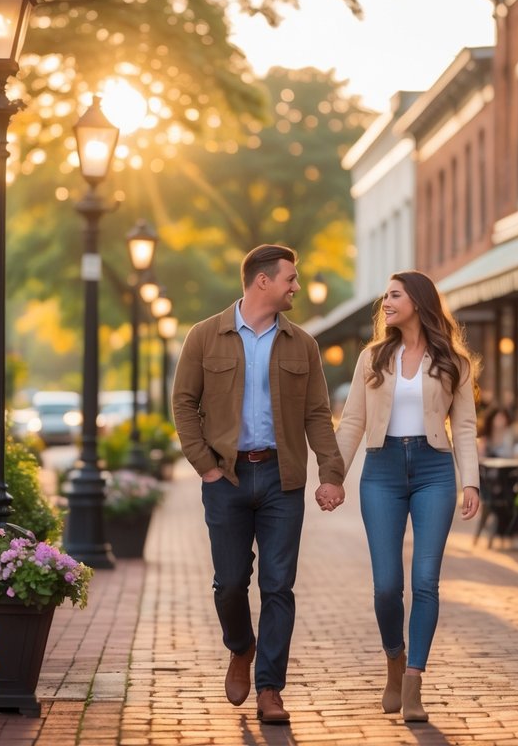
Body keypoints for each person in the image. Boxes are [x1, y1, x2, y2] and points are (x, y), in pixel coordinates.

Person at [171, 244, 345, 724]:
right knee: (229, 584)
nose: (297, 286)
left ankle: (270, 689)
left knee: (278, 585)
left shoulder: (303, 344)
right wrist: (205, 465)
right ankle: (240, 646)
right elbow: (184, 403)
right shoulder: (205, 336)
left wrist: (331, 472)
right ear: (262, 281)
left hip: (281, 478)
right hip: (224, 477)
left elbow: (316, 414)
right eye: (291, 278)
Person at [326, 270, 480, 723]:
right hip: (382, 470)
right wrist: (333, 477)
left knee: (427, 580)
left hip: (434, 469)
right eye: (386, 296)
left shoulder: (453, 360)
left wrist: (469, 480)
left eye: (394, 295)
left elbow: (465, 427)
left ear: (417, 300)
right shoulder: (372, 358)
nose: (386, 303)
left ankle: (413, 682)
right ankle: (394, 657)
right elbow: (351, 421)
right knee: (387, 585)